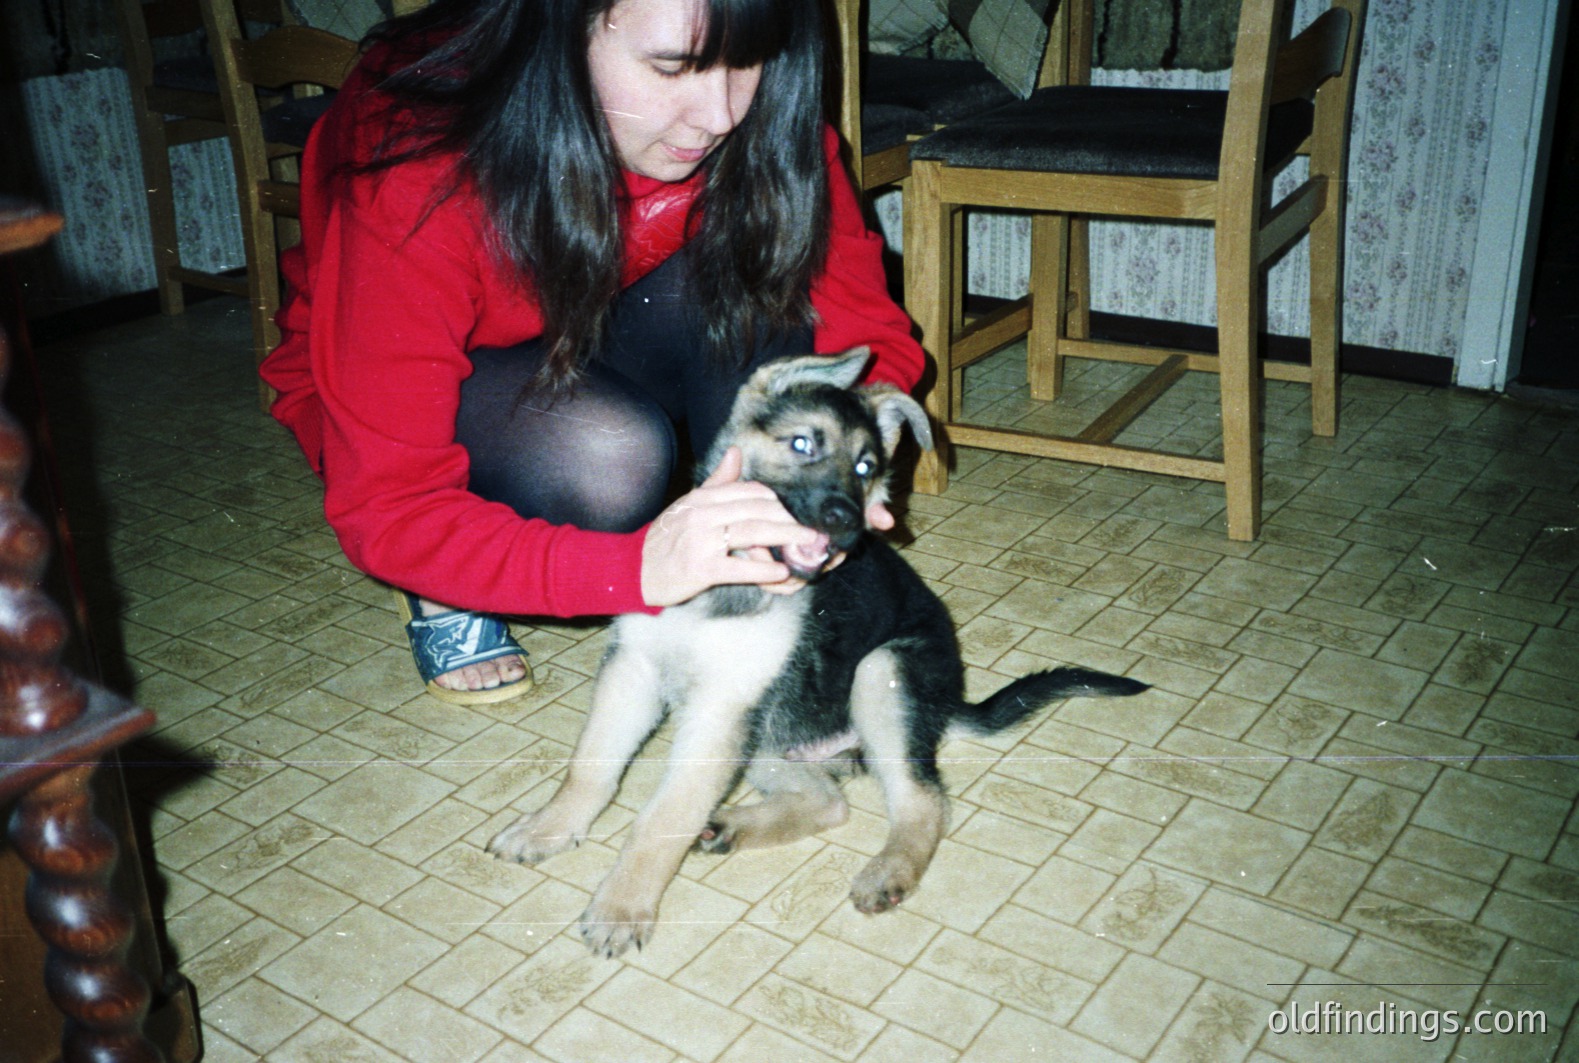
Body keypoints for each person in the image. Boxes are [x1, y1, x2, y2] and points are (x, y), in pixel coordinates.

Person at [262, 0, 925, 704]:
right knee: (609, 463)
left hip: (597, 313)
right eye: (671, 66)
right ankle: (440, 586)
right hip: (437, 377)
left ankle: (743, 571)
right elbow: (390, 505)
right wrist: (639, 569)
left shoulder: (751, 119)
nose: (720, 114)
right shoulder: (421, 162)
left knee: (760, 275)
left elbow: (861, 332)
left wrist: (852, 456)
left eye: (747, 62)